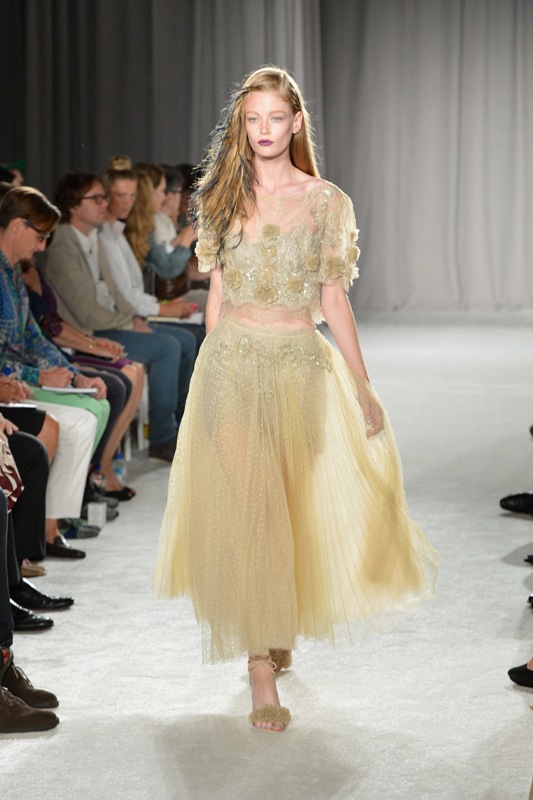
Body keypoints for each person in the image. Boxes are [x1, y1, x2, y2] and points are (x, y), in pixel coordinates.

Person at [154, 66, 440, 732]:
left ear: (296, 122)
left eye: (275, 118)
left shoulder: (325, 202)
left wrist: (361, 384)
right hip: (231, 364)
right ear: (242, 124)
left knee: (288, 506)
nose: (263, 130)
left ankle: (274, 623)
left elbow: (333, 299)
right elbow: (216, 295)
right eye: (252, 119)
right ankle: (259, 662)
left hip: (300, 368)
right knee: (250, 509)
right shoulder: (220, 196)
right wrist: (207, 373)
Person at [41, 172, 195, 462]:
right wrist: (129, 322)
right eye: (97, 198)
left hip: (104, 324)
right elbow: (86, 312)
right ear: (74, 206)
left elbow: (117, 293)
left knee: (182, 341)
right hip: (84, 334)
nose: (106, 203)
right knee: (168, 347)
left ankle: (177, 424)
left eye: (105, 197)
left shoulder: (93, 236)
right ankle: (162, 437)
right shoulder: (63, 245)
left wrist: (134, 319)